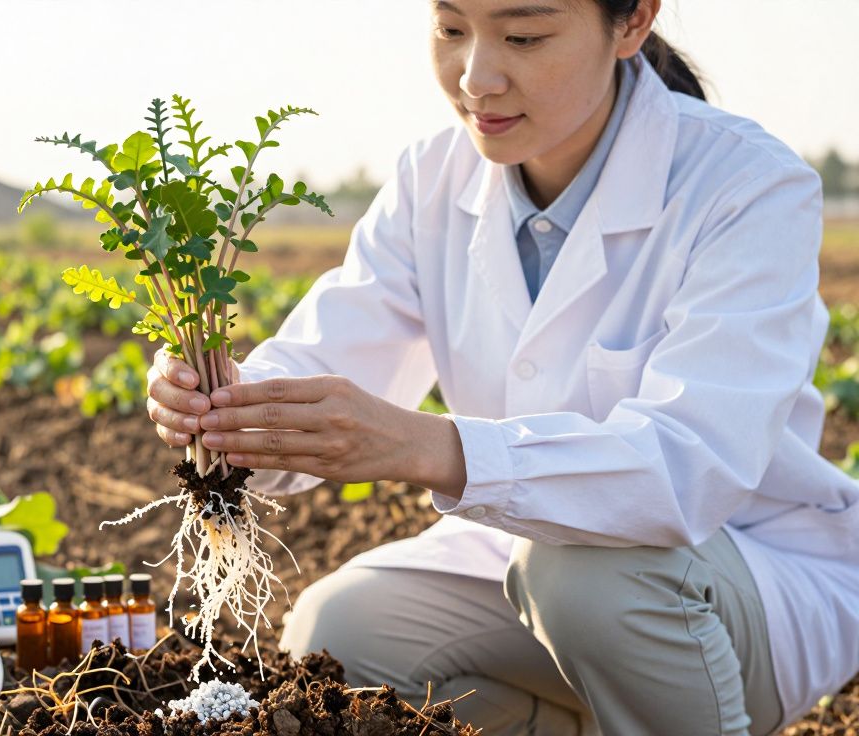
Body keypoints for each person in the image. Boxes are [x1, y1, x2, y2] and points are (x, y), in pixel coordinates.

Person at [144, 0, 859, 733]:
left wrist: (429, 446)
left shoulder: (747, 185)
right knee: (341, 632)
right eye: (451, 29)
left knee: (584, 576)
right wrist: (224, 407)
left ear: (634, 21)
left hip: (735, 587)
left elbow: (686, 471)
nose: (476, 77)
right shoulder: (431, 178)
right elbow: (331, 350)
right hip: (531, 575)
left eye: (523, 36)